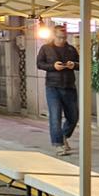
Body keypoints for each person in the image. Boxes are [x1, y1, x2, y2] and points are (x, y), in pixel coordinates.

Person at [36, 23, 80, 156]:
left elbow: (80, 63)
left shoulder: (71, 49)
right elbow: (39, 64)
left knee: (73, 117)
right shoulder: (46, 48)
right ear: (54, 36)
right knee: (55, 116)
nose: (62, 40)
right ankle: (58, 144)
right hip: (52, 86)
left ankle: (64, 135)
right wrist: (53, 66)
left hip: (69, 86)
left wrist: (74, 65)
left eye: (64, 37)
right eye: (60, 37)